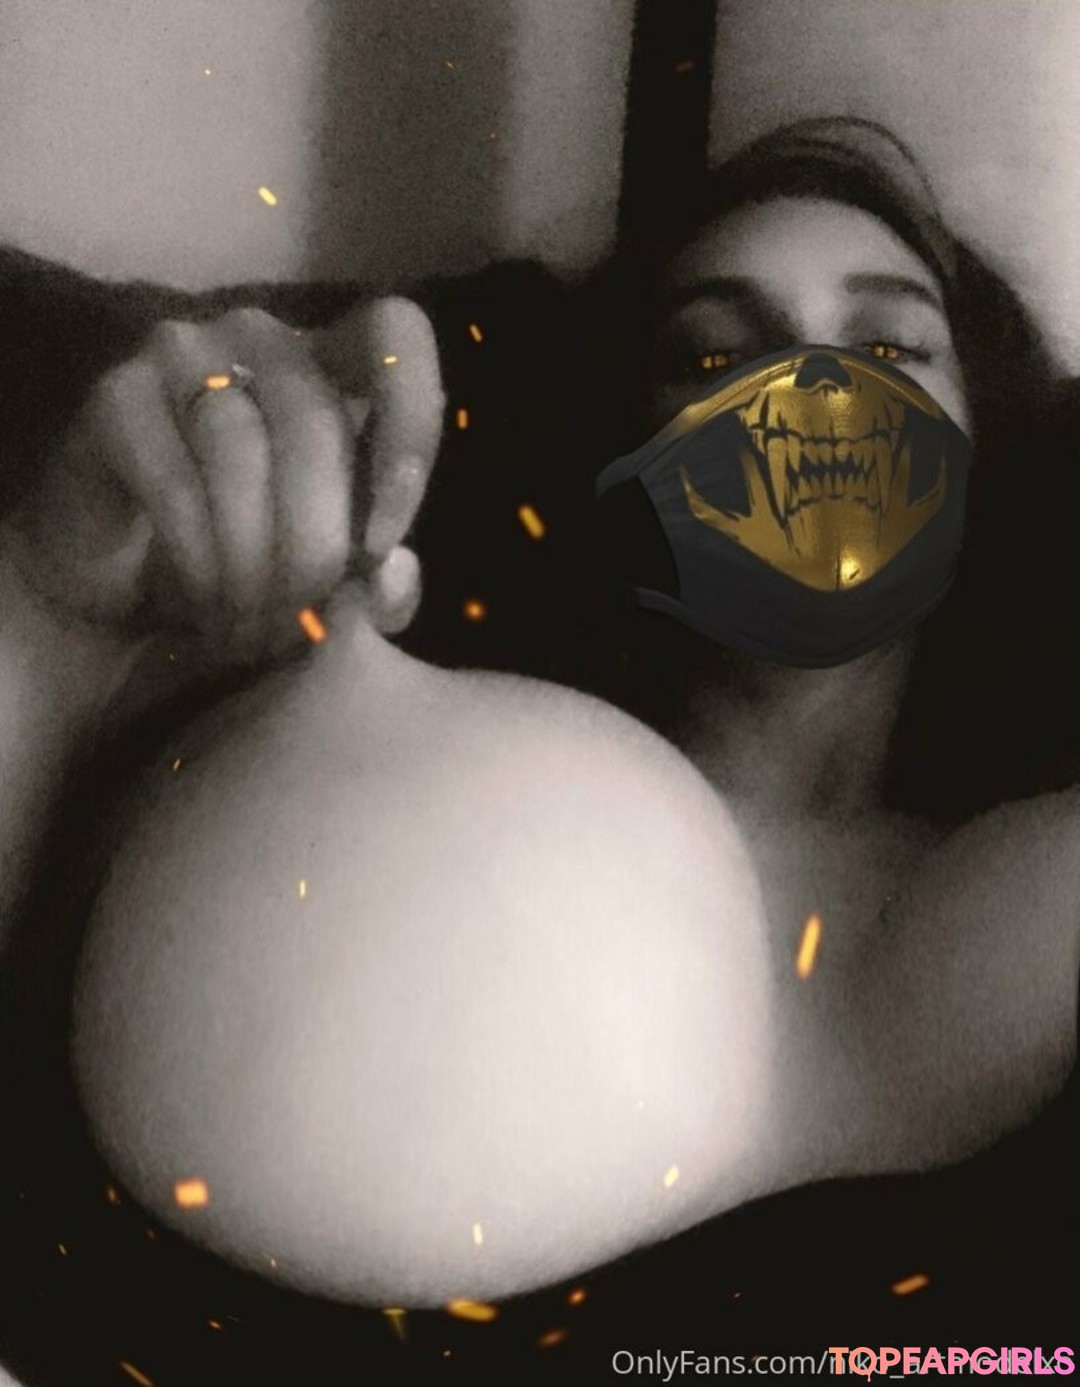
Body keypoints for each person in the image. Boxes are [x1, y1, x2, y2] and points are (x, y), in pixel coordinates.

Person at [0, 117, 1076, 1383]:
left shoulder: (1034, 883)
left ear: (989, 447)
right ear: (622, 468)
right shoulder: (329, 807)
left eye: (892, 345)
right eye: (711, 353)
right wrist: (48, 631)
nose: (812, 393)